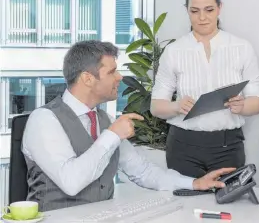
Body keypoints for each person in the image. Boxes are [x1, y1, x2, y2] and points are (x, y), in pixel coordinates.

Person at [21, 40, 235, 212]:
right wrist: (112, 135)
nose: (120, 76)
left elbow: (142, 171)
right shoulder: (43, 120)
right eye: (112, 71)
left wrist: (194, 183)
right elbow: (71, 182)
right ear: (87, 79)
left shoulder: (103, 119)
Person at [151, 0, 259, 178]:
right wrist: (177, 106)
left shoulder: (242, 48)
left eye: (209, 10)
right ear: (187, 10)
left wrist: (242, 106)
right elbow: (156, 107)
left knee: (230, 204)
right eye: (194, 11)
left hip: (228, 147)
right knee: (185, 206)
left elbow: (256, 102)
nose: (202, 17)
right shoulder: (174, 51)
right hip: (182, 147)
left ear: (220, 8)